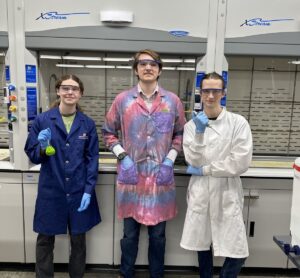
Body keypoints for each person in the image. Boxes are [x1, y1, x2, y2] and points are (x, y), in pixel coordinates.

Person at [102, 49, 186, 278]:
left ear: (159, 69)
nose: (148, 67)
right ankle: (126, 273)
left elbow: (181, 133)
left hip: (161, 177)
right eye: (142, 64)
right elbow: (108, 132)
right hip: (132, 178)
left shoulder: (172, 101)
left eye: (153, 64)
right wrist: (122, 156)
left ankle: (156, 274)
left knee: (158, 235)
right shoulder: (123, 100)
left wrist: (169, 159)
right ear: (136, 69)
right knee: (129, 234)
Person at [24, 74, 101, 278]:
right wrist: (41, 147)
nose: (70, 92)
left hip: (78, 191)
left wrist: (88, 190)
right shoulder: (42, 120)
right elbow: (32, 155)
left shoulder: (87, 124)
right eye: (65, 88)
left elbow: (92, 159)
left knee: (78, 240)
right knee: (45, 240)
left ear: (80, 94)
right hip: (52, 190)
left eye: (74, 88)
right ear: (58, 91)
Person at [180, 72, 253, 278]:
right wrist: (200, 133)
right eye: (206, 91)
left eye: (215, 91)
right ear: (200, 93)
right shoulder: (191, 126)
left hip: (226, 192)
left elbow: (240, 161)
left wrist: (207, 169)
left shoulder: (238, 123)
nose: (210, 96)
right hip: (201, 192)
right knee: (203, 246)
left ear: (223, 92)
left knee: (238, 251)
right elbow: (192, 160)